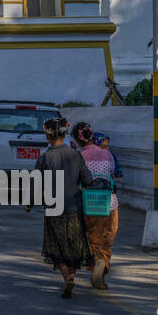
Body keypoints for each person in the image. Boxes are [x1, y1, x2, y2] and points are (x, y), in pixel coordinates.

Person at [29, 117, 95, 297]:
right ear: (65, 134)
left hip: (54, 208)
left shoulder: (44, 158)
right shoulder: (75, 155)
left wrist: (29, 203)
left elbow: (36, 185)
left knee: (55, 248)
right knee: (73, 246)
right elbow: (88, 180)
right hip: (75, 207)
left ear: (47, 136)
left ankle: (67, 277)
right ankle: (71, 275)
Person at [72, 121, 118, 289]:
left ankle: (97, 262)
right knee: (107, 237)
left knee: (93, 237)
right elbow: (111, 173)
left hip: (88, 202)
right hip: (109, 203)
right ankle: (102, 265)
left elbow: (76, 179)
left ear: (77, 140)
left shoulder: (78, 156)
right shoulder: (107, 154)